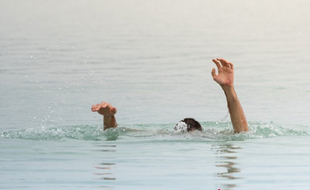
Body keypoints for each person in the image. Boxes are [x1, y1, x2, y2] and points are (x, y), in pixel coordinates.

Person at [91, 58, 249, 133]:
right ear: (198, 131)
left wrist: (108, 118)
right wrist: (229, 90)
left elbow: (115, 133)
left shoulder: (161, 134)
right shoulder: (209, 137)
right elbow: (242, 132)